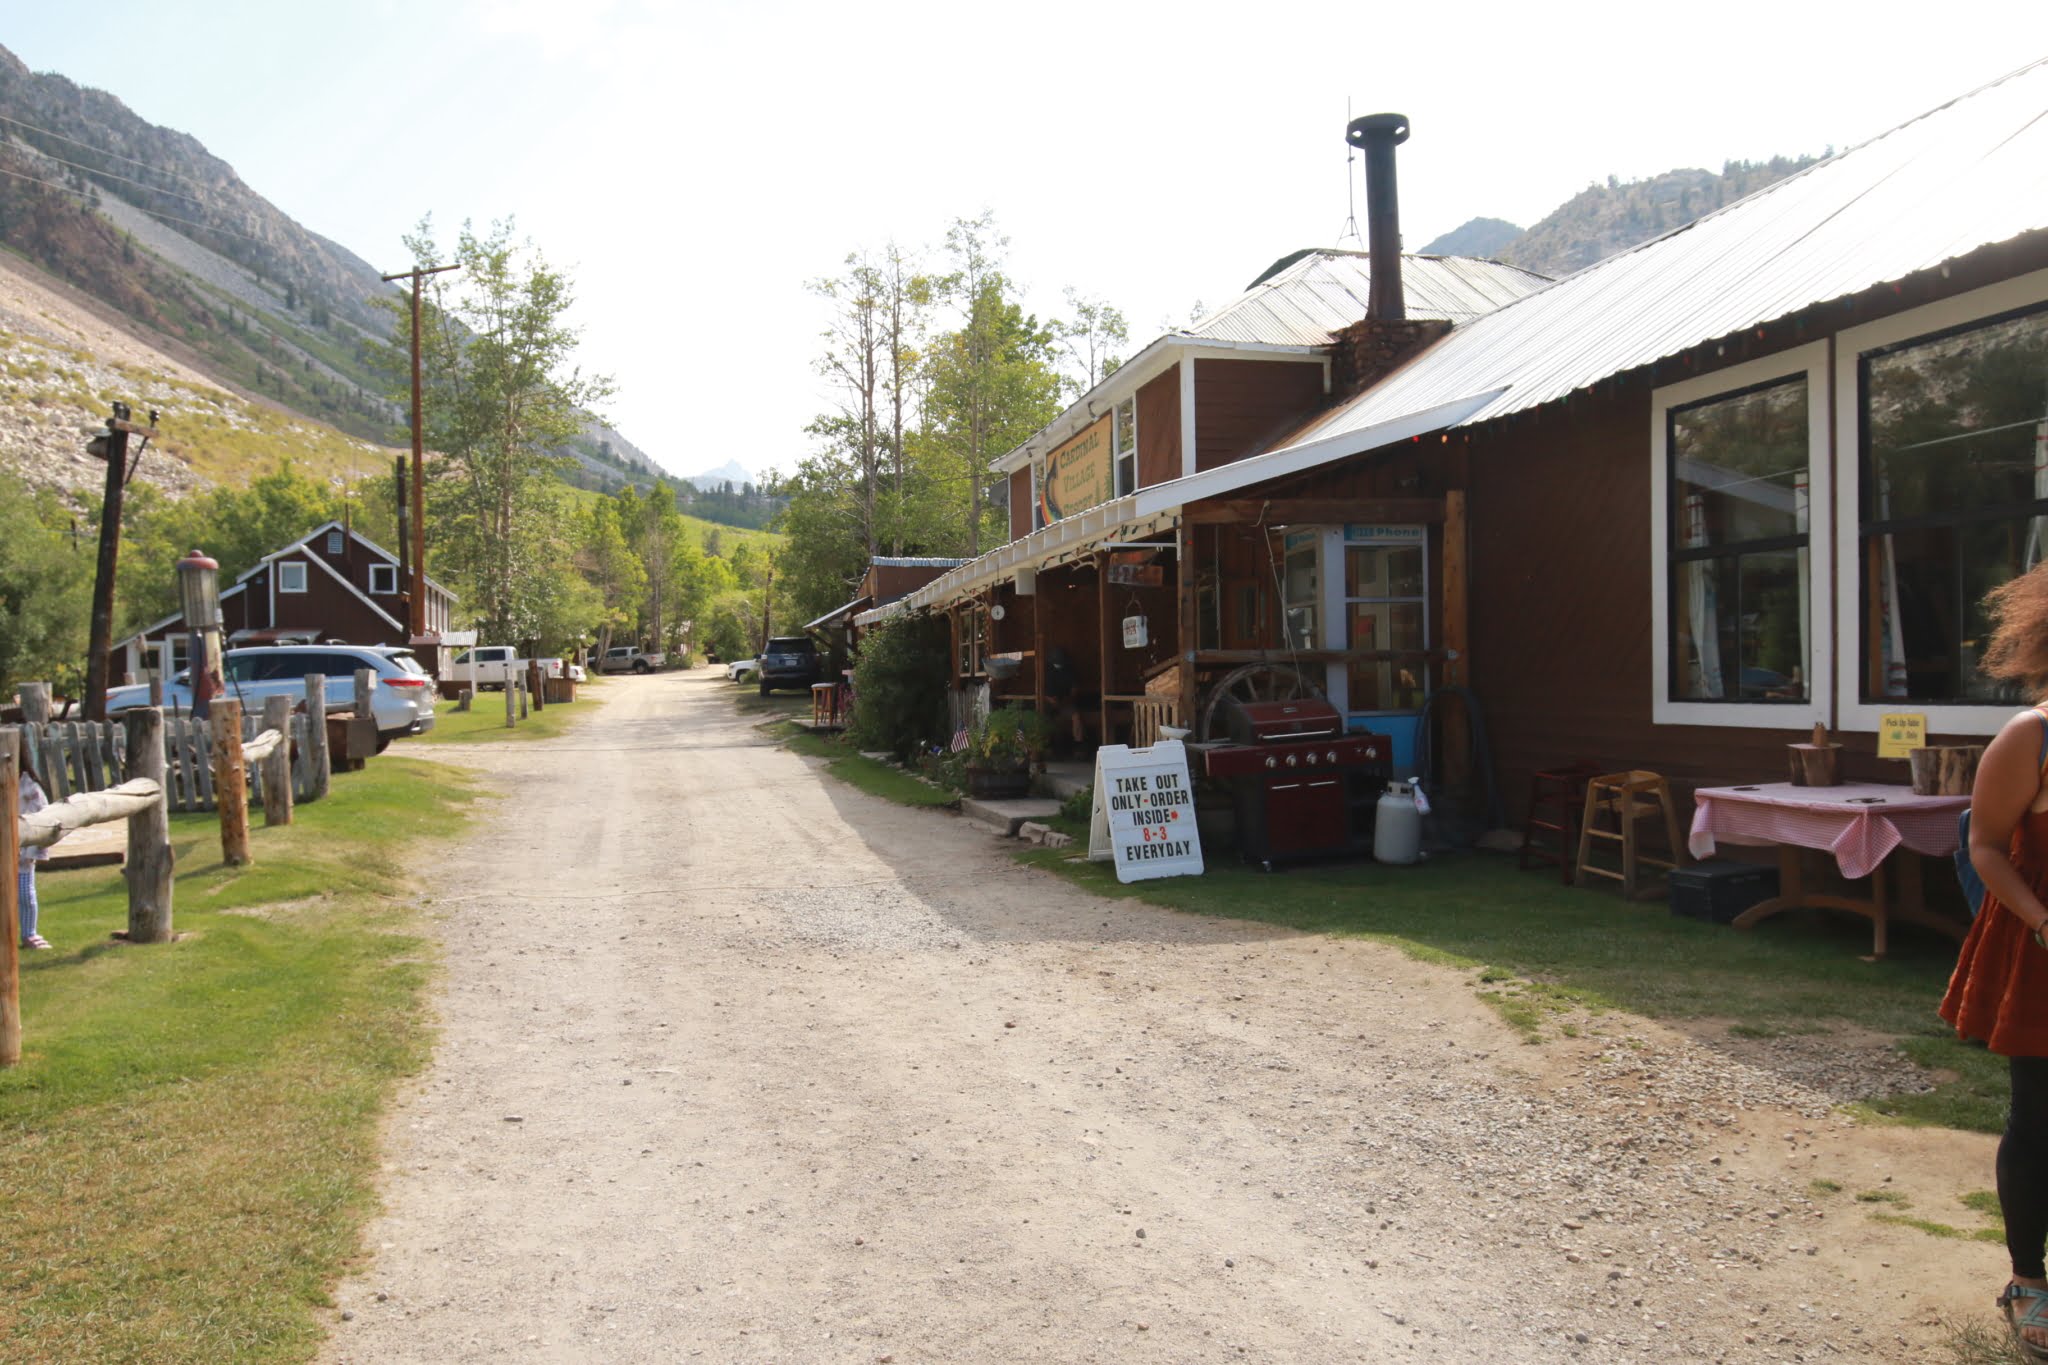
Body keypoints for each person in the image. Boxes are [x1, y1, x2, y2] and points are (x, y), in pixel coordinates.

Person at [1940, 562, 2048, 1360]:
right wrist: (2043, 920)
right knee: (2041, 1119)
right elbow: (1982, 843)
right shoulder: (2031, 736)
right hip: (2043, 946)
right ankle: (2029, 1282)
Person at [16, 755, 52, 951]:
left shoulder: (29, 787)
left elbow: (41, 816)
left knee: (24, 895)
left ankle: (29, 933)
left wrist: (33, 851)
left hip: (21, 852)